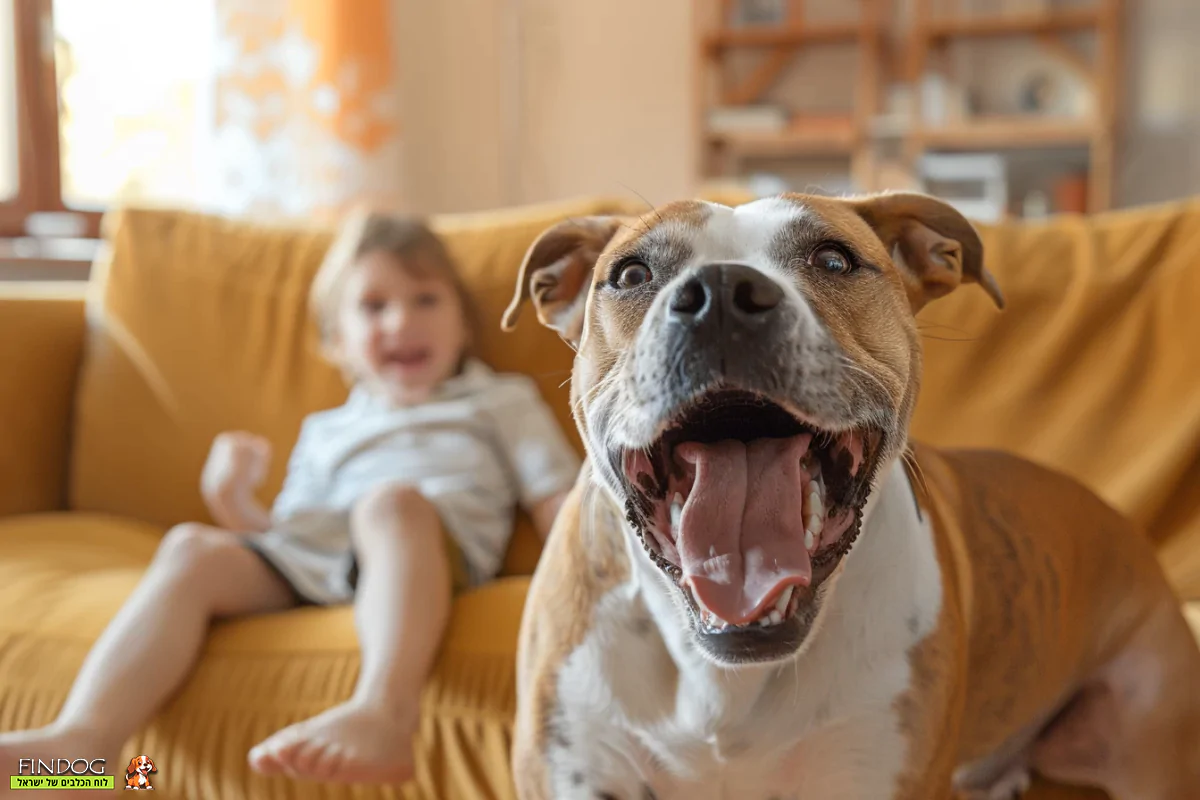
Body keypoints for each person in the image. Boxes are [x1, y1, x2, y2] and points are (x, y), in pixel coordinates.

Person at [0, 210, 580, 785]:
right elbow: (283, 536)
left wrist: (582, 564)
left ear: (463, 325)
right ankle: (83, 744)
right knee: (191, 547)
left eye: (426, 300)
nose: (402, 319)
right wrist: (227, 496)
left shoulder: (500, 400)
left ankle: (384, 713)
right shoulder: (326, 429)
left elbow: (557, 496)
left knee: (388, 503)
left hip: (424, 551)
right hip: (315, 559)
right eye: (374, 306)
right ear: (338, 343)